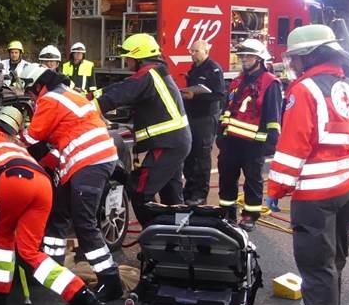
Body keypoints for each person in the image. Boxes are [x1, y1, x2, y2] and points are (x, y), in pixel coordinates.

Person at [268, 25, 349, 305]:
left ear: (308, 56)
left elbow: (293, 148)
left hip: (316, 194)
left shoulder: (305, 89)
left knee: (315, 264)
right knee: (332, 259)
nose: (291, 64)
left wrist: (275, 190)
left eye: (294, 57)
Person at [0, 106, 101, 305]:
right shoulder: (16, 143)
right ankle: (79, 293)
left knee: (4, 235)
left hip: (14, 181)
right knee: (30, 251)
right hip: (42, 185)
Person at [19, 63, 123, 303]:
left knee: (83, 221)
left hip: (90, 160)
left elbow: (31, 137)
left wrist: (7, 137)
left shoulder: (49, 100)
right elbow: (61, 137)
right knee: (58, 212)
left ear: (38, 86)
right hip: (85, 159)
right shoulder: (68, 93)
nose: (30, 96)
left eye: (30, 91)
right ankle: (54, 268)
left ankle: (110, 279)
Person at [93, 34, 191, 227]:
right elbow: (121, 87)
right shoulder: (155, 73)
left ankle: (153, 235)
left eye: (129, 58)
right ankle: (180, 233)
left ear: (139, 57)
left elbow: (120, 94)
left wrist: (90, 106)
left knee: (139, 192)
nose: (127, 62)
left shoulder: (147, 74)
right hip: (174, 143)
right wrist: (93, 94)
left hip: (166, 143)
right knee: (172, 195)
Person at [217, 39, 282, 231]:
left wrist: (271, 140)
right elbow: (228, 108)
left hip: (254, 143)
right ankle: (226, 213)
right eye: (242, 56)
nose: (244, 59)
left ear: (259, 58)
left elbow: (273, 114)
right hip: (231, 142)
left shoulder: (270, 82)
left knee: (253, 181)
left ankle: (249, 216)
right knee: (227, 178)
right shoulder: (237, 81)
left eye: (249, 56)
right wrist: (221, 132)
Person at [181, 40, 225, 205]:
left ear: (206, 51)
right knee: (190, 156)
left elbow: (219, 94)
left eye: (196, 51)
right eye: (191, 51)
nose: (192, 54)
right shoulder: (195, 69)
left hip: (205, 118)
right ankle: (190, 190)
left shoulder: (213, 69)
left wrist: (196, 96)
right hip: (192, 117)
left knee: (202, 156)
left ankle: (200, 193)